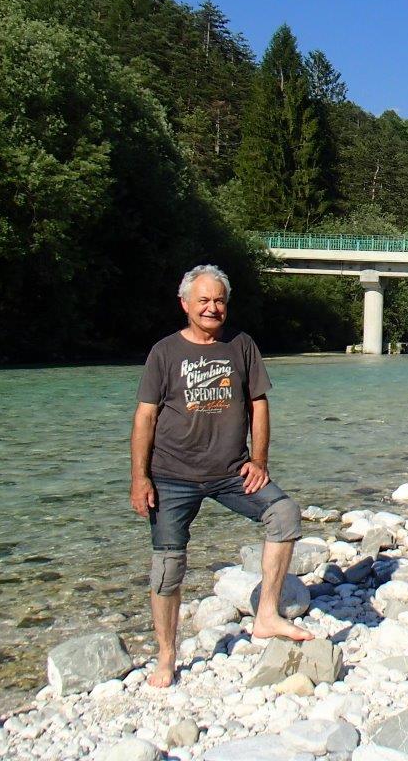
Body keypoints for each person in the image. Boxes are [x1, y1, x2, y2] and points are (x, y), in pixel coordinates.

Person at [130, 265, 311, 689]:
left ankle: (266, 615)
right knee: (168, 567)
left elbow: (259, 405)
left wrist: (260, 460)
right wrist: (140, 478)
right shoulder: (164, 353)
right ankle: (166, 655)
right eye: (204, 300)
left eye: (219, 301)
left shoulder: (241, 346)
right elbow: (145, 417)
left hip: (232, 472)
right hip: (171, 476)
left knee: (284, 514)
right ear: (185, 304)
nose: (213, 308)